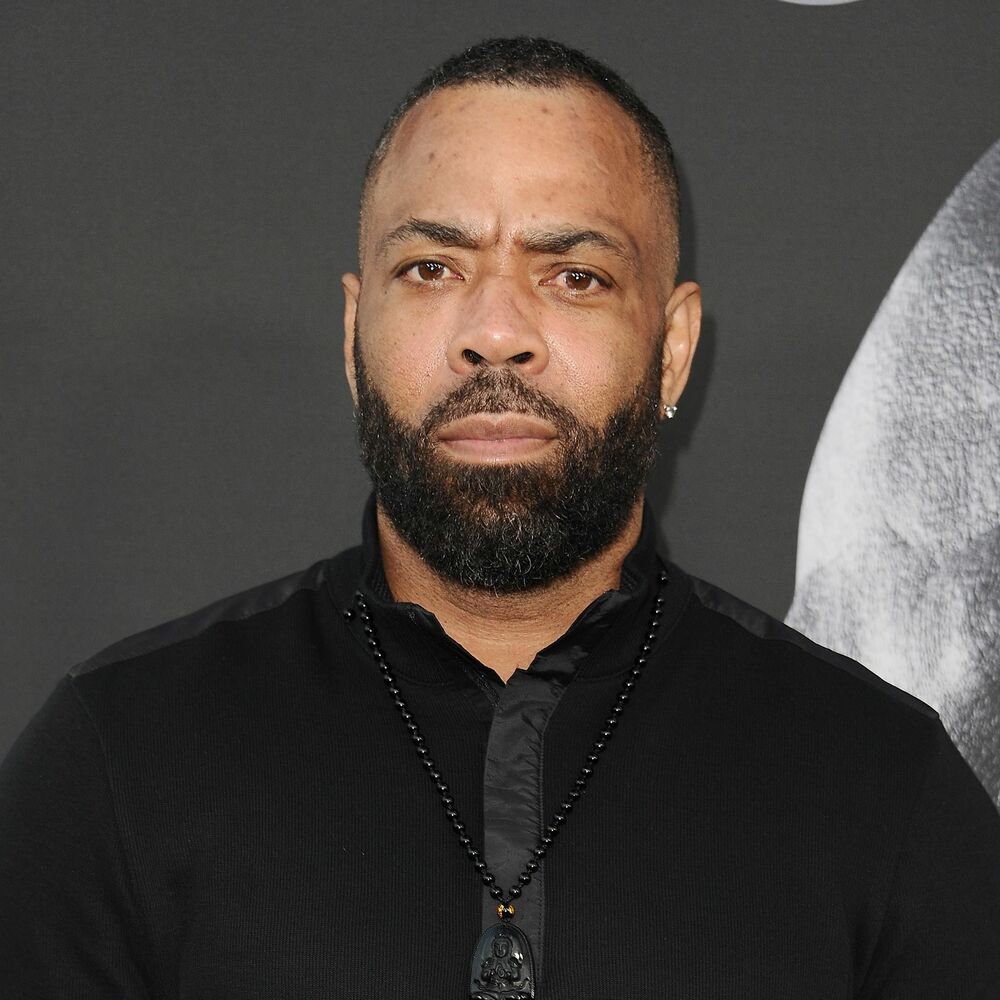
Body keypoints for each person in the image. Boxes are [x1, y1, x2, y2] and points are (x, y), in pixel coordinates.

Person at [1, 35, 998, 1000]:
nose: (495, 333)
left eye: (575, 276)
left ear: (673, 350)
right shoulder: (115, 761)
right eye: (432, 269)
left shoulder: (883, 786)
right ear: (353, 334)